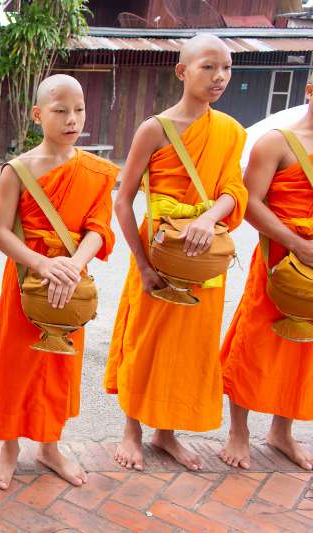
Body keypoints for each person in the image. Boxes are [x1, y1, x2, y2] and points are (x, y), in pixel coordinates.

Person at [104, 34, 247, 471]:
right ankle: (131, 429)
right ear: (182, 71)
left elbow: (233, 191)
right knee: (145, 339)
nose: (219, 76)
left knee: (189, 345)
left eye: (225, 67)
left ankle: (166, 433)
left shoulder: (229, 131)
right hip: (160, 252)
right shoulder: (155, 129)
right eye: (208, 66)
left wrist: (209, 218)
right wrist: (142, 263)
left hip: (205, 254)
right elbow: (123, 200)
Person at [0, 75, 117, 489]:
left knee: (60, 366)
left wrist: (74, 264)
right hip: (28, 277)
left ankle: (50, 444)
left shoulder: (96, 172)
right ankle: (8, 448)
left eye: (78, 110)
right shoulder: (19, 171)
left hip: (71, 279)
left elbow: (98, 227)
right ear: (39, 114)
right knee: (15, 363)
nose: (71, 118)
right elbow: (0, 232)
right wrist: (43, 265)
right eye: (60, 111)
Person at [219, 81, 313, 470]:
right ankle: (238, 430)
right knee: (254, 340)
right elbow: (250, 204)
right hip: (279, 259)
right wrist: (296, 243)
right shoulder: (277, 142)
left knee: (302, 347)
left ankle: (281, 431)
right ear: (310, 89)